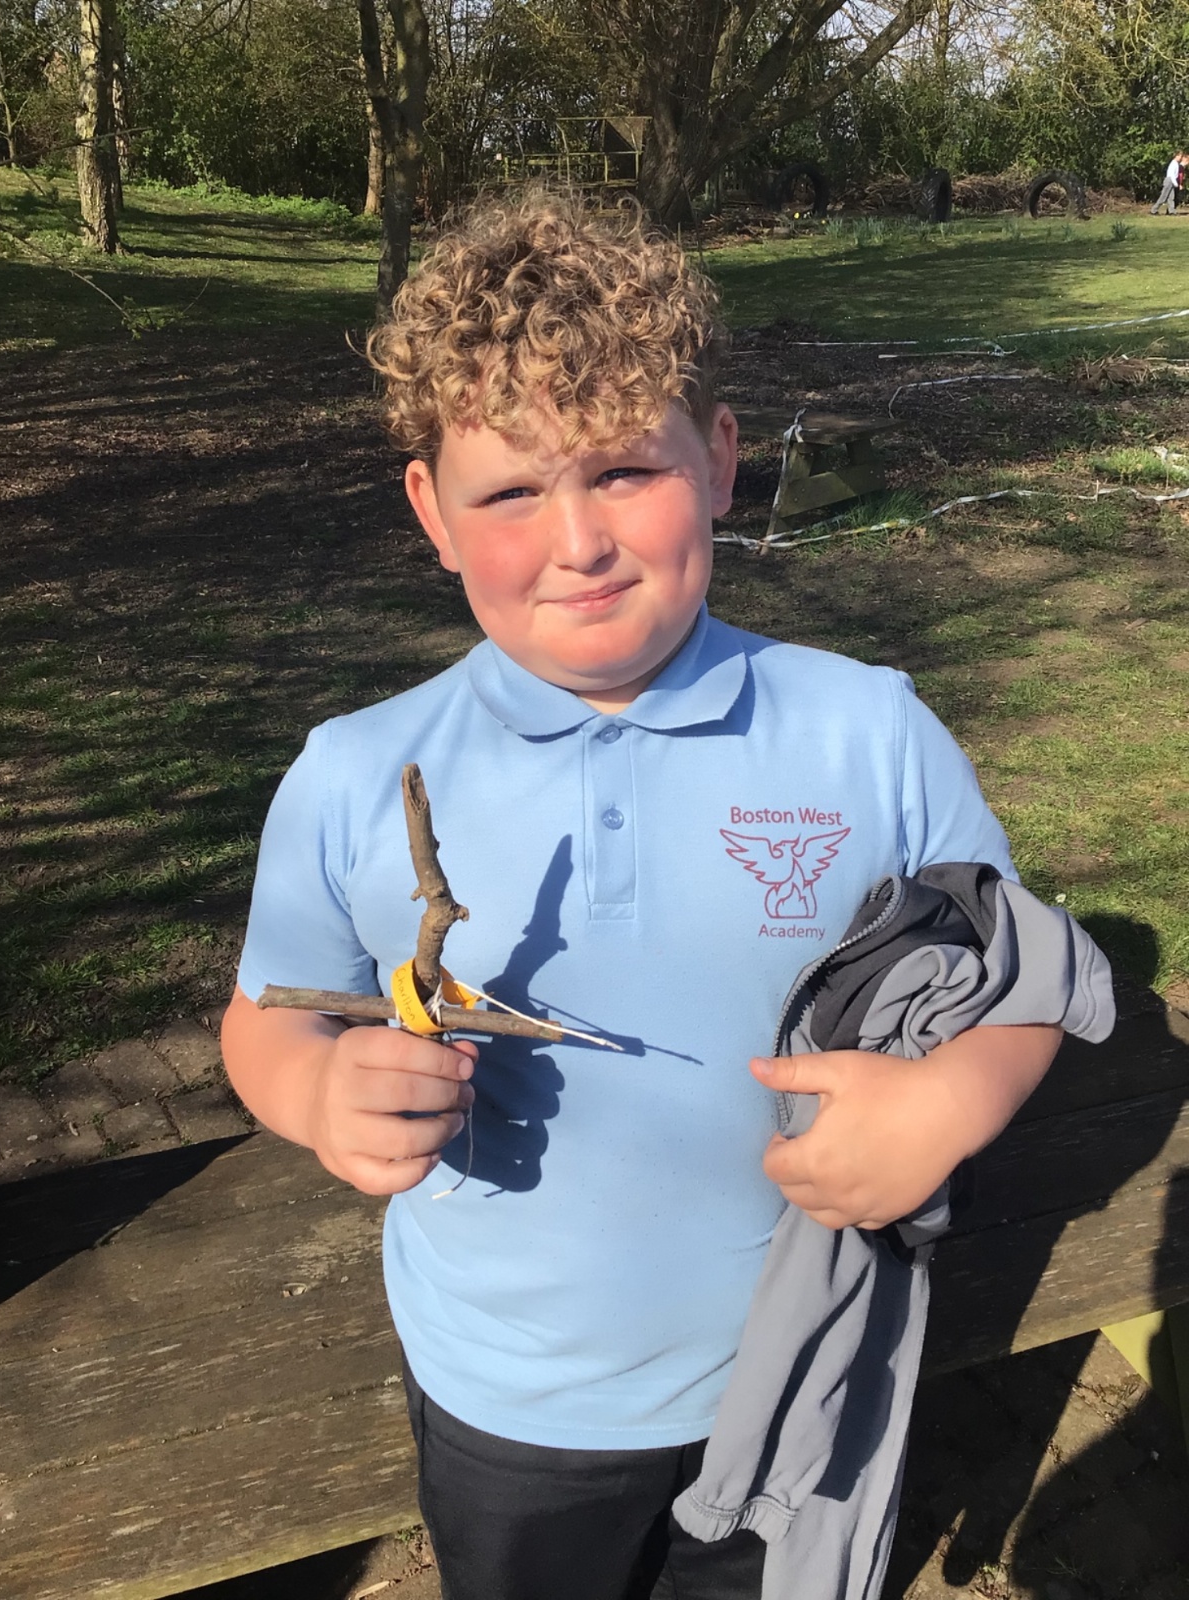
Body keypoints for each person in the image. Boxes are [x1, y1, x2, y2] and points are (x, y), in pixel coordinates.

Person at [221, 188, 1069, 1600]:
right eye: (510, 492)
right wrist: (314, 1091)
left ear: (721, 462)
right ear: (433, 513)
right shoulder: (355, 773)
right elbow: (266, 1016)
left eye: (624, 470)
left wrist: (948, 1107)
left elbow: (1020, 982)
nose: (579, 542)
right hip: (510, 1403)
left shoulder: (870, 731)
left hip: (802, 1367)